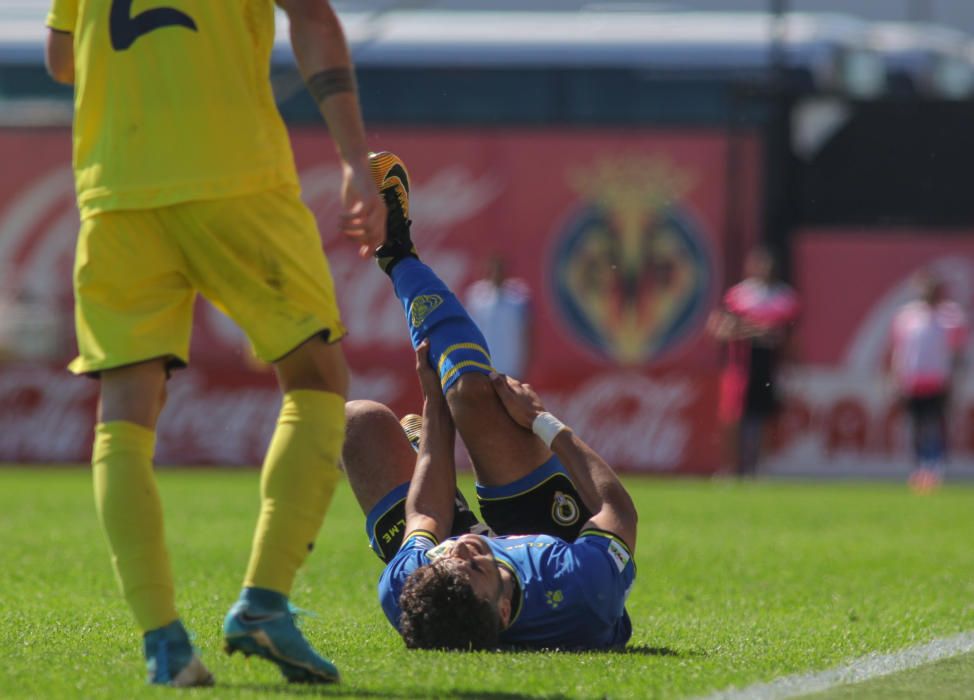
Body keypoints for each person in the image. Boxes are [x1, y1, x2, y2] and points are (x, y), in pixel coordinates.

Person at [44, 0, 385, 686]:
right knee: (316, 378)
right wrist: (354, 157)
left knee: (124, 413)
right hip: (235, 178)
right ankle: (264, 603)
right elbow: (313, 17)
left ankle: (164, 643)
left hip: (115, 190)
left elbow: (61, 60)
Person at [341, 152, 637, 650]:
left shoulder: (411, 587)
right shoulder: (578, 589)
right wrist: (542, 422)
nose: (463, 549)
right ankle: (401, 255)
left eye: (449, 558)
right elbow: (616, 510)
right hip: (551, 538)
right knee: (477, 396)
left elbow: (428, 523)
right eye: (475, 563)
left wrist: (435, 407)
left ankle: (393, 255)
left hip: (460, 567)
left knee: (358, 423)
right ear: (503, 609)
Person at [707, 247, 800, 476]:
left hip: (770, 365)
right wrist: (757, 331)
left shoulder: (784, 297)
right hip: (741, 365)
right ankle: (731, 467)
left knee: (765, 416)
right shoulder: (738, 295)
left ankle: (760, 468)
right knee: (734, 416)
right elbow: (721, 327)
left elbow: (788, 335)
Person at [888, 271, 967, 491]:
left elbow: (958, 353)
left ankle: (935, 468)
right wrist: (896, 377)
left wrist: (955, 380)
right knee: (916, 426)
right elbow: (899, 350)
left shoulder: (950, 317)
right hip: (912, 380)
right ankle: (918, 469)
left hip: (938, 381)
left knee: (935, 425)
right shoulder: (906, 317)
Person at [464, 255, 533, 378]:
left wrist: (525, 361)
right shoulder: (476, 296)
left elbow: (526, 332)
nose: (497, 274)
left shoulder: (517, 298)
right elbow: (469, 331)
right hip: (485, 365)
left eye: (500, 270)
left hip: (511, 366)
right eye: (494, 270)